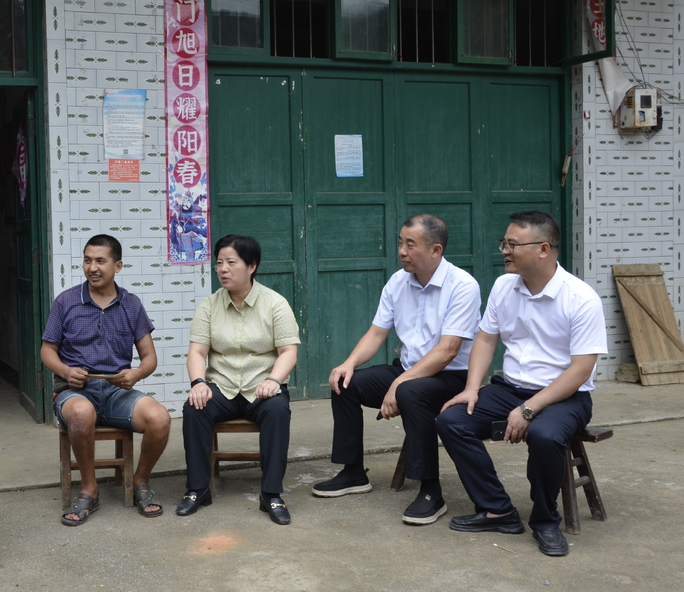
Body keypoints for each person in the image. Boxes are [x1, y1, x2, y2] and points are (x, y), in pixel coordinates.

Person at [437, 211, 607, 557]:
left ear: (543, 249)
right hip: (510, 388)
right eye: (505, 243)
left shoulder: (581, 298)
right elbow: (486, 340)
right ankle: (497, 509)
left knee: (545, 435)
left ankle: (545, 522)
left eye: (512, 244)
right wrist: (472, 387)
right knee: (452, 420)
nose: (504, 250)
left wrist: (529, 409)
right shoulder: (504, 286)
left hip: (566, 396)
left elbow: (580, 370)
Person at [313, 214, 481, 526]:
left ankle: (431, 490)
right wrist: (348, 364)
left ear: (435, 250)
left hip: (451, 377)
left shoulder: (463, 286)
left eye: (410, 244)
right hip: (406, 371)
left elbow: (448, 351)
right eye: (400, 243)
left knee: (410, 391)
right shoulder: (397, 282)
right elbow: (377, 333)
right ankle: (352, 472)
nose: (401, 251)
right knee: (345, 383)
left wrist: (399, 385)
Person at [41, 234, 171, 525]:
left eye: (101, 261)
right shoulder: (66, 301)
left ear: (118, 265)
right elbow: (47, 351)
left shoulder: (132, 304)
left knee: (160, 418)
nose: (92, 267)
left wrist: (135, 374)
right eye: (88, 260)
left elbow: (149, 357)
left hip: (116, 393)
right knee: (80, 413)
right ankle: (90, 488)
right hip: (75, 392)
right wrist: (65, 372)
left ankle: (140, 482)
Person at [179, 234, 300, 525]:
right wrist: (198, 383)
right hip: (221, 387)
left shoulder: (275, 303)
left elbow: (288, 352)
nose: (223, 269)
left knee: (277, 410)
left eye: (231, 262)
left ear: (252, 266)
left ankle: (271, 494)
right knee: (193, 408)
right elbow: (197, 352)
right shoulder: (209, 305)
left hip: (263, 388)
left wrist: (273, 380)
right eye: (219, 263)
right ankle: (197, 489)